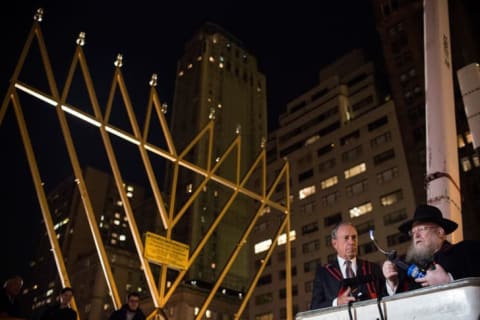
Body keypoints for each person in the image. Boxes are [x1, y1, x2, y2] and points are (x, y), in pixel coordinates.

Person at [383, 204, 480, 295]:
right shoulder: (408, 269)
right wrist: (392, 282)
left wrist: (449, 281)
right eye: (413, 232)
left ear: (440, 232)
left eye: (421, 229)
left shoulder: (467, 251)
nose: (416, 235)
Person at [310, 222, 384, 309]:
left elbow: (386, 296)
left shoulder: (372, 268)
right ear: (335, 244)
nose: (351, 242)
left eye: (354, 237)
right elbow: (314, 307)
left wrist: (391, 282)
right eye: (346, 238)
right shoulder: (323, 274)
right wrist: (337, 302)